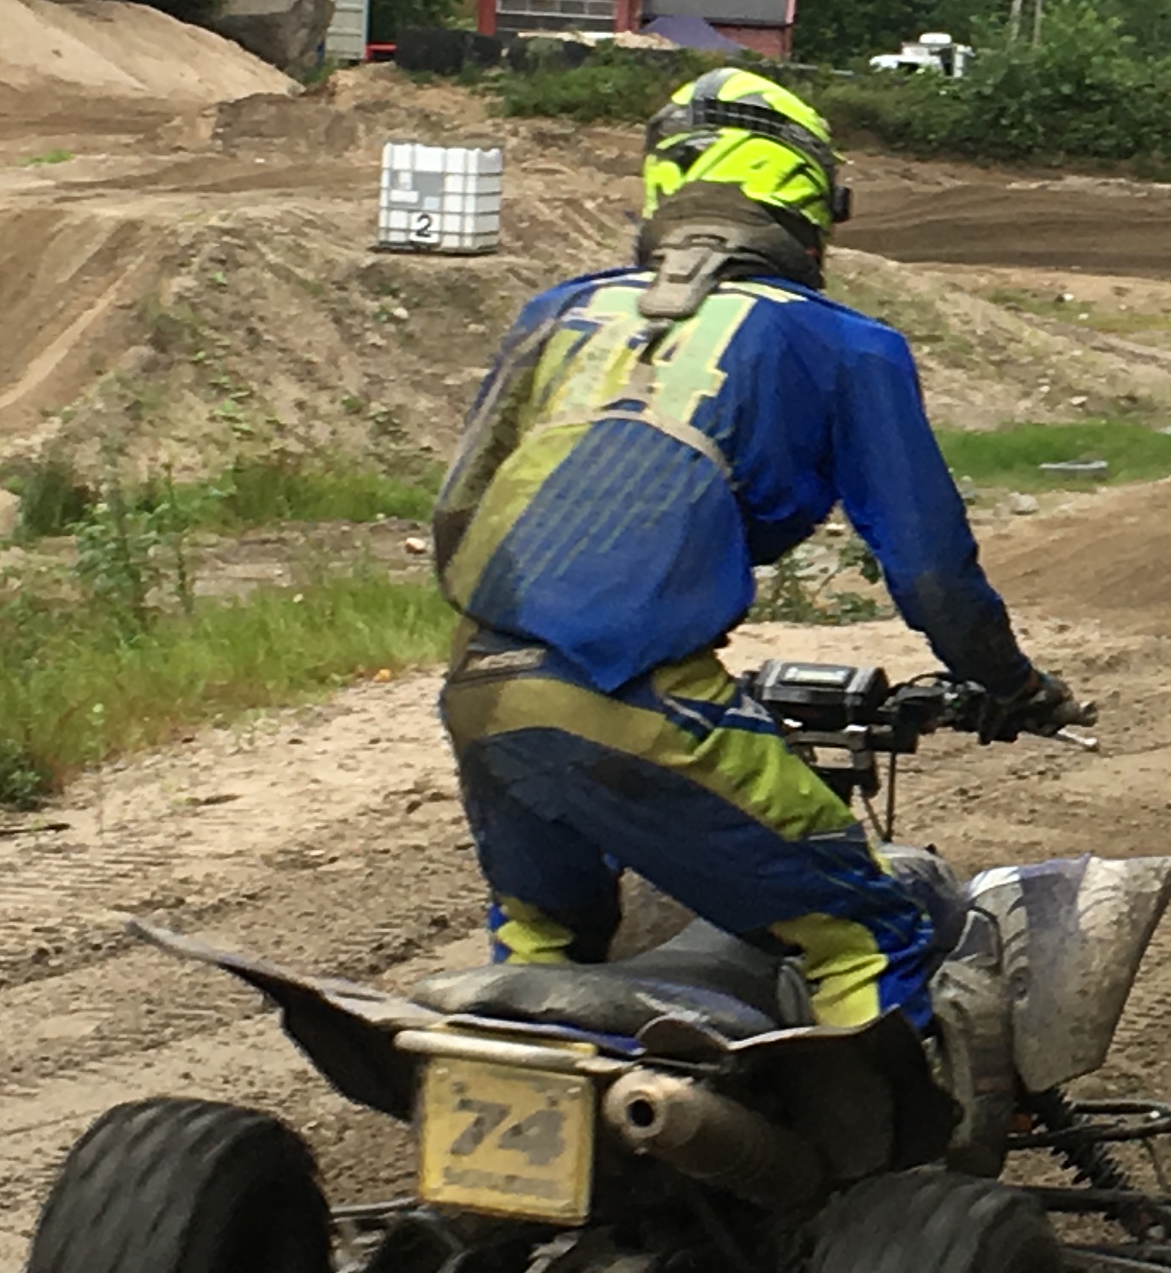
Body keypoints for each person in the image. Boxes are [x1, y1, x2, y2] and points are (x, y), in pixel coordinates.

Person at [426, 65, 1078, 1056]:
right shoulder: (845, 345)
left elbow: (459, 515)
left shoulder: (555, 314)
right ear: (809, 201)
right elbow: (932, 570)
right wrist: (1011, 684)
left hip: (483, 686)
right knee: (871, 930)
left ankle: (536, 1132)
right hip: (641, 695)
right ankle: (888, 1154)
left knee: (547, 945)